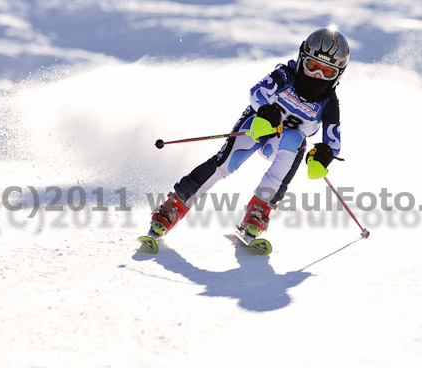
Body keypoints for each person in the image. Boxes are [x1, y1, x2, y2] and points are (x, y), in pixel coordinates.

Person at [150, 26, 350, 238]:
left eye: (327, 72)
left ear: (338, 75)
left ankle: (259, 209)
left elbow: (334, 143)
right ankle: (175, 205)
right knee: (225, 163)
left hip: (283, 146)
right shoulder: (286, 75)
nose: (317, 75)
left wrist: (323, 155)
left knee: (296, 139)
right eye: (312, 66)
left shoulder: (329, 103)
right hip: (258, 127)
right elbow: (257, 92)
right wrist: (265, 111)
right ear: (302, 59)